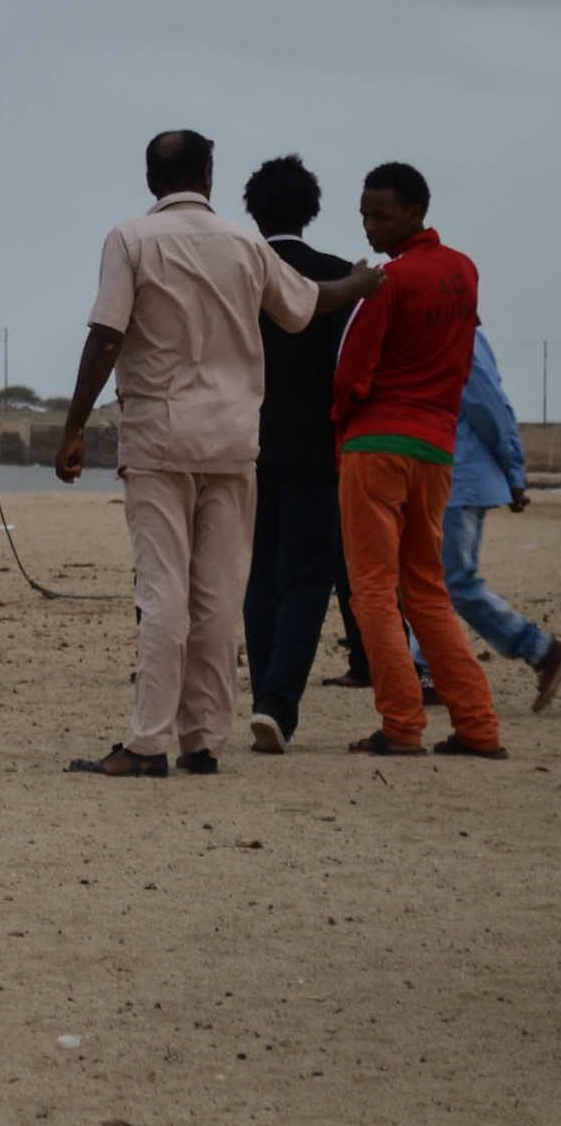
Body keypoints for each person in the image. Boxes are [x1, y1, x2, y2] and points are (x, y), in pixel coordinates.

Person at [57, 130, 380, 779]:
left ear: (153, 180)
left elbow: (106, 334)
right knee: (217, 595)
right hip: (235, 440)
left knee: (162, 590)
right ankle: (203, 739)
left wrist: (74, 425)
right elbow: (307, 306)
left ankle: (148, 740)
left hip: (159, 437)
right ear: (207, 176)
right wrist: (360, 280)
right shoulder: (243, 244)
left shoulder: (130, 239)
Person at [334, 164, 507, 759]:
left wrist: (341, 423)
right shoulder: (464, 271)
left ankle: (403, 723)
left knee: (374, 593)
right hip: (436, 447)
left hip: (376, 446)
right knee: (427, 589)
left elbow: (353, 371)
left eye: (380, 215)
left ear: (414, 212)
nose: (370, 226)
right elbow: (458, 357)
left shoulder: (387, 281)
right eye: (364, 214)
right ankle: (479, 727)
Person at [239, 156, 361, 753]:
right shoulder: (341, 277)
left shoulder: (238, 273)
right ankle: (278, 702)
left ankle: (266, 689)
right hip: (318, 445)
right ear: (310, 211)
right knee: (307, 579)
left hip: (247, 442)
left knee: (259, 573)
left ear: (251, 209)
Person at [410, 330, 561, 708]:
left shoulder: (461, 339)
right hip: (437, 474)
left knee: (453, 582)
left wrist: (515, 472)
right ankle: (428, 671)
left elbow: (491, 407)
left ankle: (542, 650)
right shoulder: (430, 335)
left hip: (461, 477)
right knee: (428, 579)